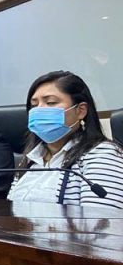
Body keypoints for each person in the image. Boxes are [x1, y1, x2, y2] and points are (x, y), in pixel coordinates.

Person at [8, 71, 123, 208]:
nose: (39, 110)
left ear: (80, 110)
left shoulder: (102, 154)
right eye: (34, 105)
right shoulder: (30, 159)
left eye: (50, 102)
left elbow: (100, 218)